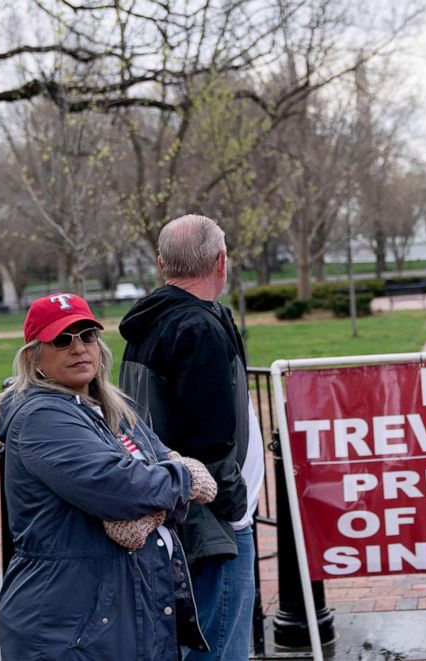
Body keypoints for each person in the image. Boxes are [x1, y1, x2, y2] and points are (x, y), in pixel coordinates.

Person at [0, 292, 217, 659]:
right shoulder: (41, 417)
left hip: (122, 616)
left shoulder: (113, 409)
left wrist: (159, 495)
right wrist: (183, 480)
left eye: (87, 335)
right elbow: (120, 488)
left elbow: (159, 464)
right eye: (62, 340)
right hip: (69, 626)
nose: (78, 348)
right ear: (33, 356)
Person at [119, 214, 264, 660]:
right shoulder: (196, 328)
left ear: (163, 264)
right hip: (211, 520)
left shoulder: (154, 323)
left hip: (181, 509)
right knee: (219, 646)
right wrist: (235, 508)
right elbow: (209, 438)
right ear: (222, 261)